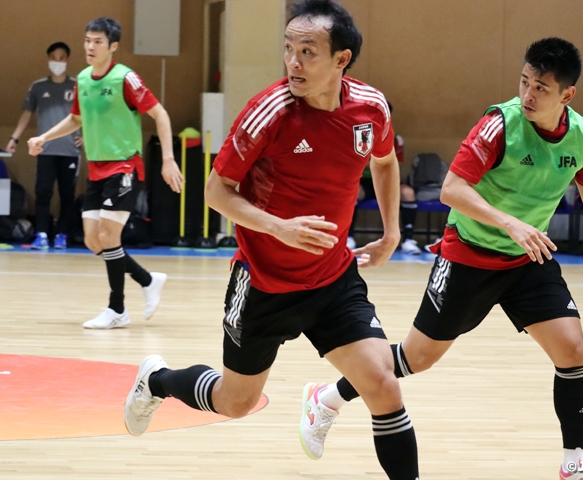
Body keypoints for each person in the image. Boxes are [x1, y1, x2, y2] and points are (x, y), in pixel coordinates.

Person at [301, 37, 583, 480]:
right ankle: (327, 398)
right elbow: (451, 189)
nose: (528, 95)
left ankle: (574, 464)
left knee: (573, 349)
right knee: (417, 359)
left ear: (567, 95)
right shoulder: (499, 125)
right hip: (469, 255)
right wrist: (510, 222)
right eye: (524, 82)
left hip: (526, 260)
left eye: (541, 88)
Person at [123, 2, 420, 478]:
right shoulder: (271, 111)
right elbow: (216, 192)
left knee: (383, 384)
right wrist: (279, 227)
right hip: (265, 281)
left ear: (341, 59)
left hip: (332, 280)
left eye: (308, 51)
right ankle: (156, 380)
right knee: (235, 402)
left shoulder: (370, 107)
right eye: (288, 49)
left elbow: (383, 162)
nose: (294, 62)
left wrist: (391, 231)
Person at [28, 18, 184, 329]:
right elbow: (76, 120)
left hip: (124, 166)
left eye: (98, 41)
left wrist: (168, 159)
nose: (90, 46)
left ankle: (117, 309)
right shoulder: (83, 79)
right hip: (97, 169)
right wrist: (44, 138)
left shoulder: (126, 79)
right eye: (87, 40)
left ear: (112, 46)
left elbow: (160, 114)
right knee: (92, 239)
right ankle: (147, 279)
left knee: (109, 236)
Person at [6, 42, 82, 250]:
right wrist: (14, 138)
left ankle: (62, 235)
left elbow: (91, 115)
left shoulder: (77, 86)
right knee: (43, 192)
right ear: (48, 59)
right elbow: (26, 113)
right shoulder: (38, 86)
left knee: (67, 195)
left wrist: (87, 138)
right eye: (54, 57)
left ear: (67, 60)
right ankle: (41, 234)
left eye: (62, 58)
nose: (57, 61)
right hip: (45, 150)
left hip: (70, 151)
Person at [346, 102, 422, 254]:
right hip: (365, 181)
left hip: (387, 179)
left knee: (408, 193)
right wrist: (375, 163)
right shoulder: (362, 132)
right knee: (352, 190)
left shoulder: (395, 137)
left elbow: (393, 165)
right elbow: (360, 163)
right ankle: (349, 237)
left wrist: (379, 163)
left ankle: (408, 240)